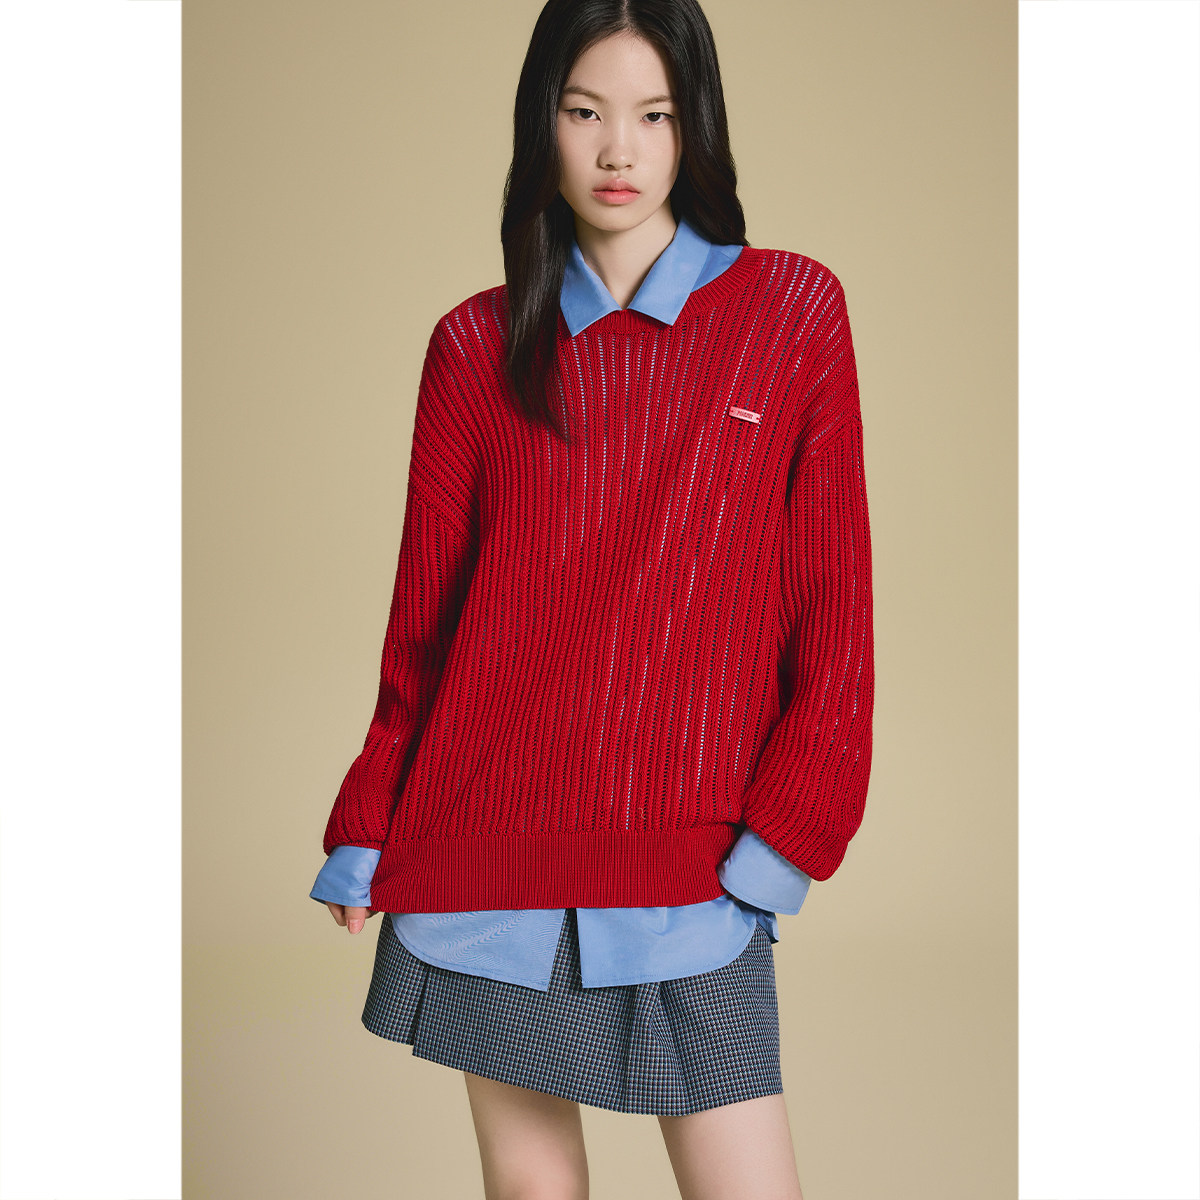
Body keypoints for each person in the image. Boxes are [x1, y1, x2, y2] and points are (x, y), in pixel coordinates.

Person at [310, 1, 874, 1197]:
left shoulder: (791, 315)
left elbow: (836, 610)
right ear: (543, 125)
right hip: (489, 848)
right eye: (585, 112)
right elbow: (427, 626)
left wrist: (787, 834)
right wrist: (369, 818)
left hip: (692, 857)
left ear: (694, 127)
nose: (619, 150)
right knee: (533, 1190)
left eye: (654, 116)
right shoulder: (474, 346)